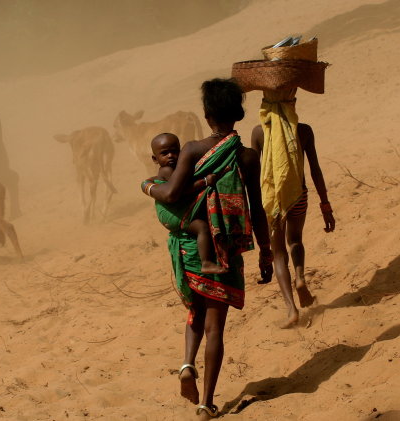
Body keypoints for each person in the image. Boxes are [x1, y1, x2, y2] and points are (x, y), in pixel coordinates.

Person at [142, 78, 273, 419]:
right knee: (216, 328)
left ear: (206, 113)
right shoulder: (247, 157)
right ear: (239, 115)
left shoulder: (192, 149)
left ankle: (186, 365)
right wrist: (265, 251)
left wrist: (146, 185)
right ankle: (206, 404)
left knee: (194, 314)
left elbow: (171, 194)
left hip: (190, 248)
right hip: (226, 251)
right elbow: (256, 209)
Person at [251, 87, 335, 329]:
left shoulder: (258, 133)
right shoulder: (304, 131)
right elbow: (315, 169)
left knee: (278, 254)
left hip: (272, 203)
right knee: (295, 241)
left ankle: (290, 308)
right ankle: (300, 277)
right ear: (292, 104)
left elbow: (256, 177)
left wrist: (254, 212)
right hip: (299, 195)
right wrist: (325, 204)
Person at [146, 132, 228, 275]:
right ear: (155, 158)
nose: (170, 156)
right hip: (174, 213)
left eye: (174, 151)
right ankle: (206, 263)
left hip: (176, 211)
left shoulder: (174, 169)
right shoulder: (167, 170)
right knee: (202, 227)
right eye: (165, 153)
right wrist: (205, 182)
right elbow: (180, 190)